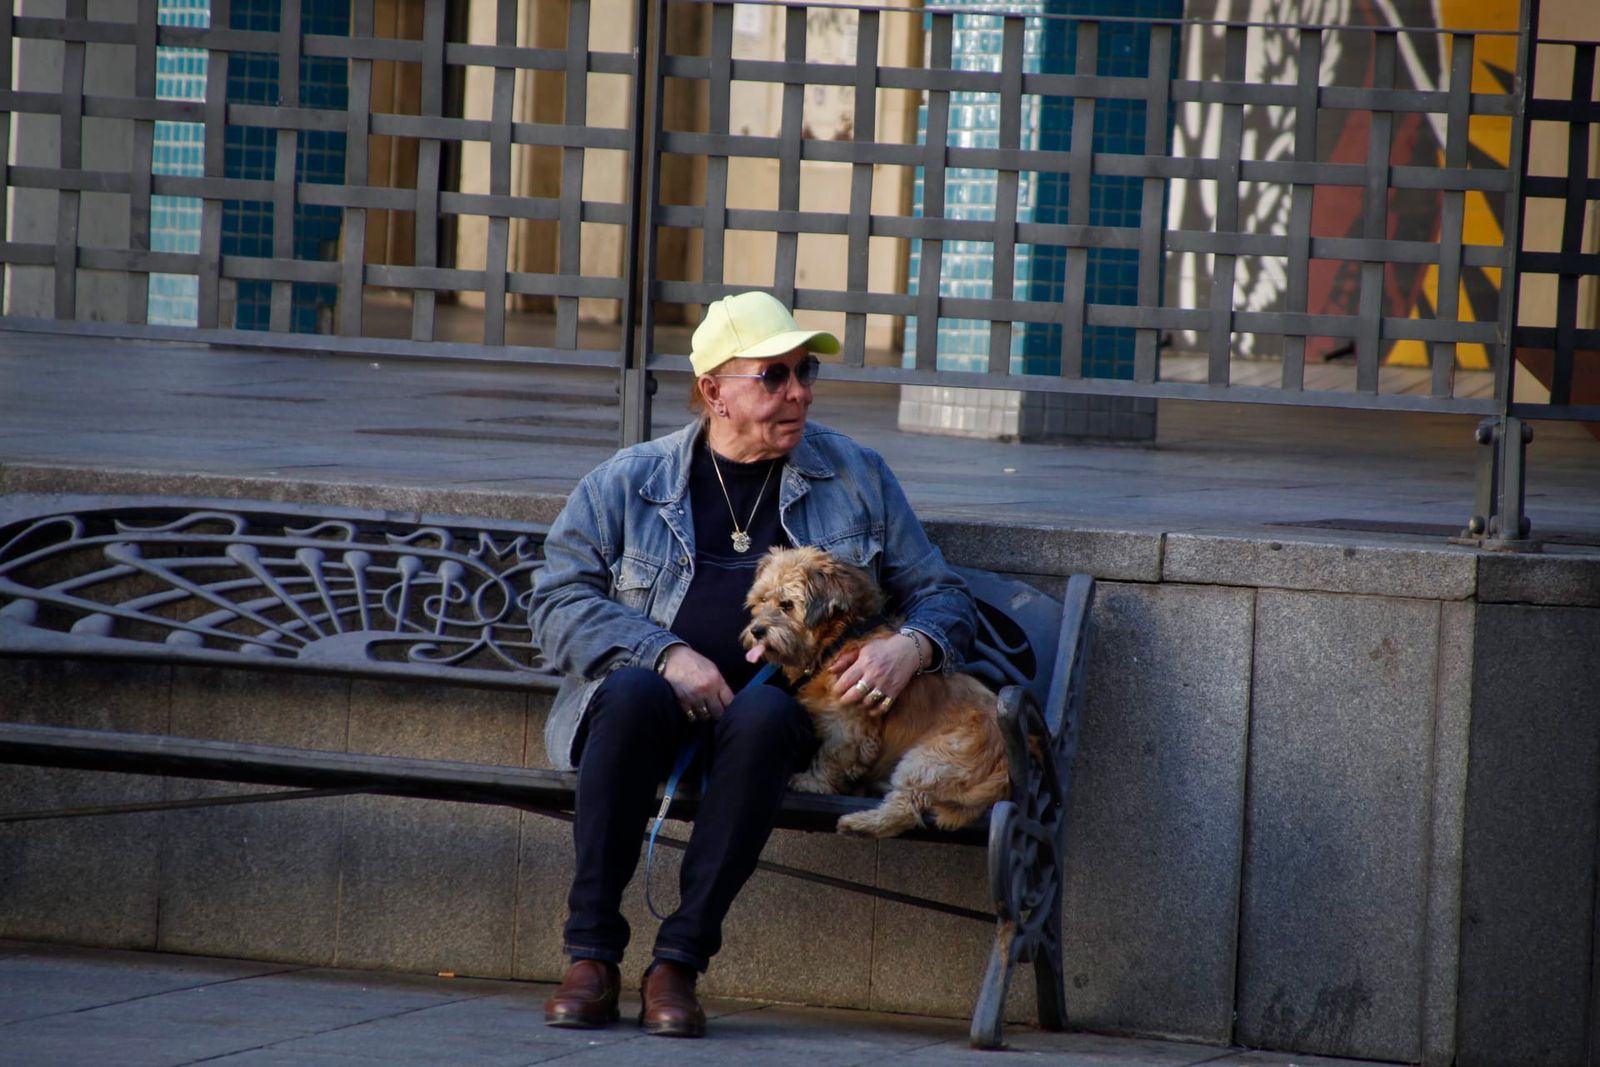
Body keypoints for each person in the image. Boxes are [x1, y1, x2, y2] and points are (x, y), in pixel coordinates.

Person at [529, 290, 975, 1038]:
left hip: (777, 721)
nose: (797, 391)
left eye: (804, 373)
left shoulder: (855, 474)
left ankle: (678, 962)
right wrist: (666, 653)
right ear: (715, 392)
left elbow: (942, 593)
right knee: (635, 693)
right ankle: (592, 956)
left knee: (770, 713)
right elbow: (554, 601)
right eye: (773, 376)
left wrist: (913, 645)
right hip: (650, 713)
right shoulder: (628, 481)